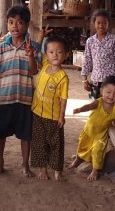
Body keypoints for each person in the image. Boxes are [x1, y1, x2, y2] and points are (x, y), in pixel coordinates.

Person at [0, 5, 40, 177]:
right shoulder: (0, 46)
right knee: (1, 133)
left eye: (20, 23)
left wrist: (30, 55)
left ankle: (25, 165)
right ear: (7, 24)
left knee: (26, 135)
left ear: (27, 24)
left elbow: (35, 71)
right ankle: (0, 162)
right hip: (5, 98)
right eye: (11, 22)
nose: (15, 26)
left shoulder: (34, 46)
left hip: (25, 98)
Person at [69, 76, 115, 181]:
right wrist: (80, 109)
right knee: (82, 147)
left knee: (98, 152)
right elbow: (89, 106)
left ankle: (95, 170)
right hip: (88, 132)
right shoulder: (98, 102)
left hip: (101, 135)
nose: (111, 96)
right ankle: (78, 160)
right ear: (101, 90)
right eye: (108, 92)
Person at [31, 36, 69, 181]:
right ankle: (43, 170)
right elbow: (37, 50)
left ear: (66, 55)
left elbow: (63, 99)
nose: (55, 55)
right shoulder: (45, 65)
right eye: (51, 52)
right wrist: (41, 36)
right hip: (37, 113)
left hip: (53, 117)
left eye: (59, 52)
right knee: (40, 143)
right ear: (46, 55)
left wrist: (61, 116)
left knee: (56, 145)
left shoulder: (63, 77)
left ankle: (57, 171)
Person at [81, 9, 115, 100]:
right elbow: (87, 60)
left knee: (111, 107)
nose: (101, 25)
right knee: (95, 107)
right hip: (95, 80)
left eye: (104, 23)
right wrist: (84, 79)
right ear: (94, 23)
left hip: (111, 80)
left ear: (108, 24)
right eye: (98, 22)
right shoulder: (90, 41)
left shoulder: (114, 39)